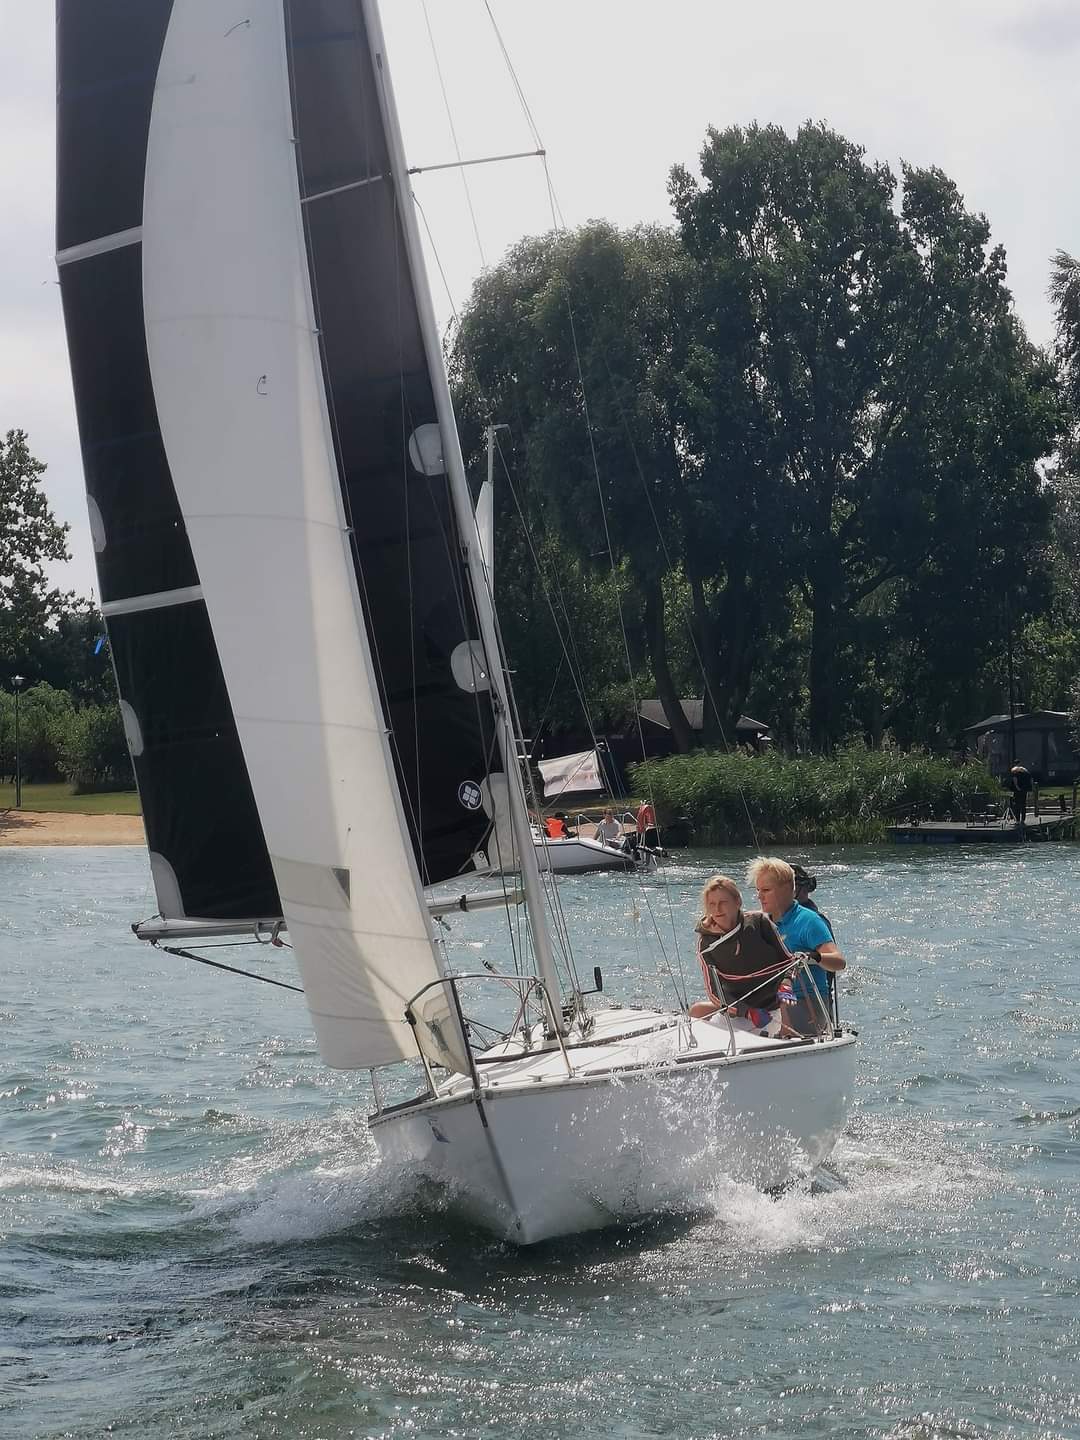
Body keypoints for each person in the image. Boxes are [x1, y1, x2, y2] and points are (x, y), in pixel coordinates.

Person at [749, 856, 845, 1038]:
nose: (759, 896)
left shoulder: (809, 921)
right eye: (758, 890)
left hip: (806, 1003)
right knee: (703, 1012)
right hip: (771, 1002)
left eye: (766, 890)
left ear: (787, 889)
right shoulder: (758, 922)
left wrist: (812, 956)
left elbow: (839, 962)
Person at [689, 874, 788, 1029]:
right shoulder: (706, 942)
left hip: (770, 1012)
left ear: (738, 902)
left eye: (723, 903)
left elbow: (789, 962)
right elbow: (714, 992)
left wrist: (787, 984)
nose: (717, 909)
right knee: (695, 1016)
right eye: (712, 904)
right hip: (738, 1013)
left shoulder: (759, 922)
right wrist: (746, 1012)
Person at [1008, 763, 1033, 830]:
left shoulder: (1016, 773)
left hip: (1018, 791)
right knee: (1023, 804)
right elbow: (1031, 780)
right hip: (1024, 790)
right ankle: (1023, 820)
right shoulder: (1027, 773)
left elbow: (1015, 780)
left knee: (1017, 805)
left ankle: (1018, 820)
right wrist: (1030, 789)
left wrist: (1017, 787)